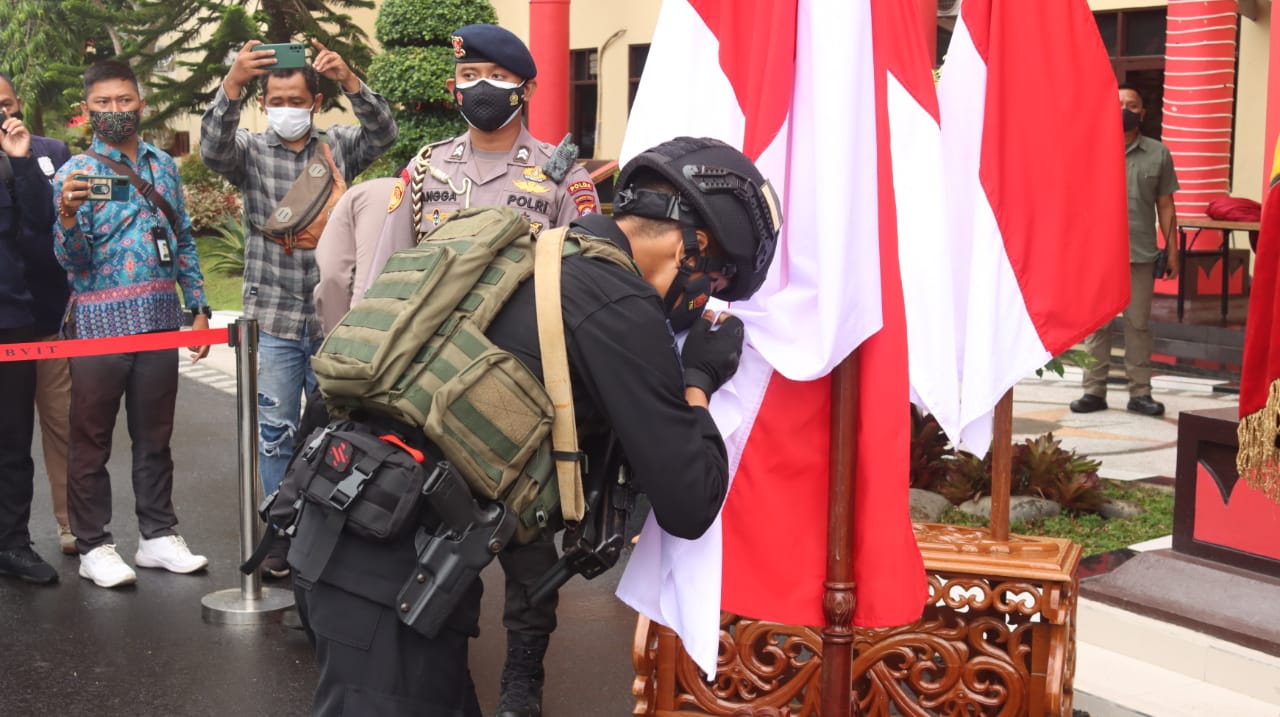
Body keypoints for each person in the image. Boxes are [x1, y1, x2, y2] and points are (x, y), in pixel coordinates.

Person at [290, 135, 782, 716]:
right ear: (690, 246)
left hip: (346, 526)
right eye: (719, 281)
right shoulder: (619, 304)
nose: (707, 300)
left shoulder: (531, 255)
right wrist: (698, 376)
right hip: (388, 566)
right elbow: (690, 500)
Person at [350, 24, 603, 716]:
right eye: (468, 76)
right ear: (452, 85)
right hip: (428, 384)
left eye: (493, 75)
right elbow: (383, 282)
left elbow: (587, 284)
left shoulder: (560, 176)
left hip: (522, 387)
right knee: (430, 526)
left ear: (525, 86)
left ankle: (524, 671)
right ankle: (441, 666)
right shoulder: (426, 171)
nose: (478, 88)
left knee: (528, 538)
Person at [200, 39, 398, 555]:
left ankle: (324, 537)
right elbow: (212, 149)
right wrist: (233, 81)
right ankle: (282, 535)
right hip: (272, 320)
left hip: (334, 322)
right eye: (276, 101)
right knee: (276, 433)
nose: (286, 109)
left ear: (314, 102)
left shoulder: (338, 146)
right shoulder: (249, 152)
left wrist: (351, 81)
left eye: (297, 100)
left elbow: (384, 132)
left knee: (334, 435)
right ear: (264, 104)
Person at [53, 60, 212, 589]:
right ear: (87, 111)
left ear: (139, 103)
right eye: (103, 103)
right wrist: (70, 218)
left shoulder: (163, 165)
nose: (115, 111)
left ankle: (158, 536)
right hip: (99, 325)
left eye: (124, 101)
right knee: (91, 438)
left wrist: (199, 303)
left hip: (161, 322)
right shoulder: (75, 172)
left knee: (155, 436)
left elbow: (183, 237)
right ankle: (95, 544)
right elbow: (71, 262)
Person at [0, 72, 76, 555]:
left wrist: (23, 161)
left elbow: (49, 222)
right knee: (9, 438)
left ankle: (73, 528)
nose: (2, 115)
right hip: (7, 313)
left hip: (47, 318)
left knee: (63, 424)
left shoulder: (52, 152)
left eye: (6, 104)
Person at [1072, 83, 1180, 417]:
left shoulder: (1158, 154)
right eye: (1118, 103)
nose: (1125, 109)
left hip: (1140, 254)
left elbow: (1165, 206)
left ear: (1142, 114)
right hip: (1097, 255)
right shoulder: (1089, 148)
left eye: (1132, 105)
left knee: (1138, 325)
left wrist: (1172, 250)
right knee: (1097, 326)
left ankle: (1140, 393)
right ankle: (1093, 391)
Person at [313, 176, 399, 334]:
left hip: (362, 327)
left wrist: (336, 338)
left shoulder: (360, 194)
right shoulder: (442, 192)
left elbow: (332, 274)